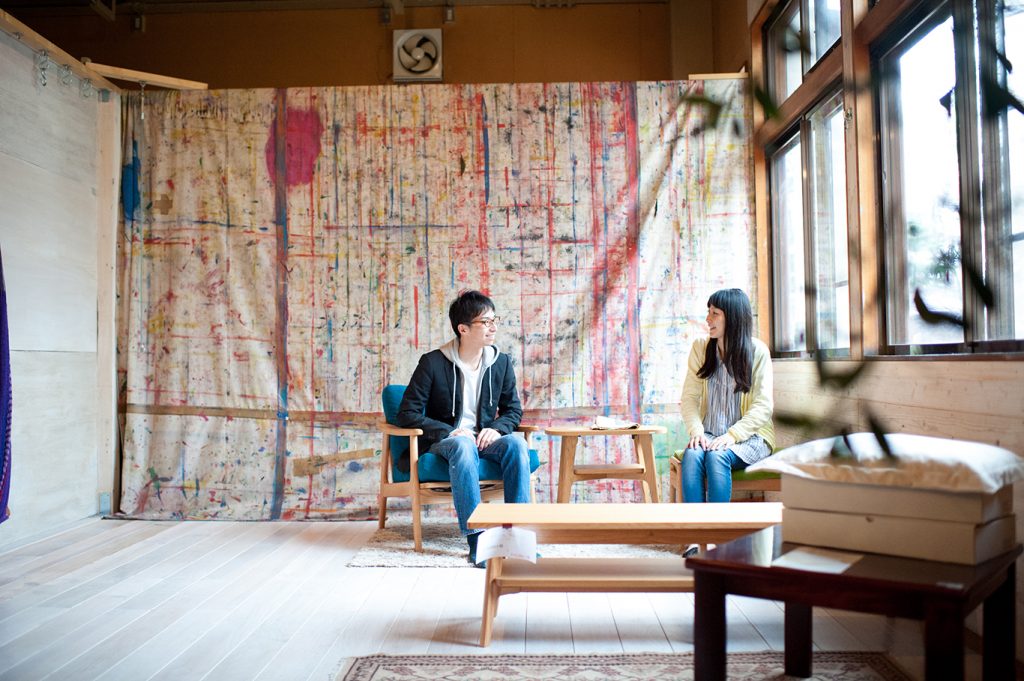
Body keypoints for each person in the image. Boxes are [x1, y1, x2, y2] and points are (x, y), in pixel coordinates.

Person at [396, 290, 531, 566]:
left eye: (495, 320)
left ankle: (517, 537)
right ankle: (478, 541)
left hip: (485, 439)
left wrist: (497, 429)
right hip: (448, 442)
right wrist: (448, 431)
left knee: (517, 443)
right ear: (463, 328)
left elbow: (513, 411)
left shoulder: (501, 362)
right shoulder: (432, 363)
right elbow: (407, 414)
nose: (493, 327)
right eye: (486, 322)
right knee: (462, 443)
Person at [679, 288, 775, 505]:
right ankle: (694, 526)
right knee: (692, 455)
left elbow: (763, 405)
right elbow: (690, 397)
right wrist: (697, 432)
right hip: (710, 433)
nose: (708, 318)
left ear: (732, 317)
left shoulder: (757, 351)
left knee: (717, 456)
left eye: (715, 313)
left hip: (751, 437)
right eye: (709, 312)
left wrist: (732, 436)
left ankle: (717, 526)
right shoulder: (701, 348)